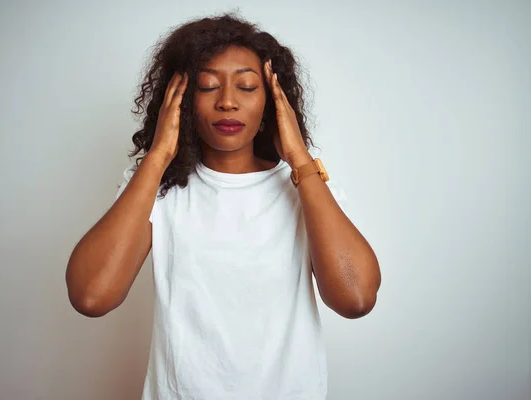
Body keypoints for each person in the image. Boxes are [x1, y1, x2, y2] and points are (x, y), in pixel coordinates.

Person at [66, 12, 381, 400]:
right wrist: (158, 155)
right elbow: (92, 296)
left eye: (247, 87)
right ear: (180, 100)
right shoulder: (157, 187)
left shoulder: (304, 185)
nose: (228, 102)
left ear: (271, 102)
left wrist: (299, 157)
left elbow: (356, 298)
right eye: (207, 86)